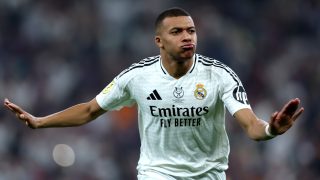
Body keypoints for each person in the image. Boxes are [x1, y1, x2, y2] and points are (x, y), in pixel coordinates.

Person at [3, 7, 304, 180]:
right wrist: (41, 122)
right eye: (177, 32)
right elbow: (90, 110)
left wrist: (270, 130)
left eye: (191, 31)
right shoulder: (137, 77)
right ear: (159, 40)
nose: (187, 37)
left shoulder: (219, 74)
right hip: (156, 174)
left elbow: (250, 125)